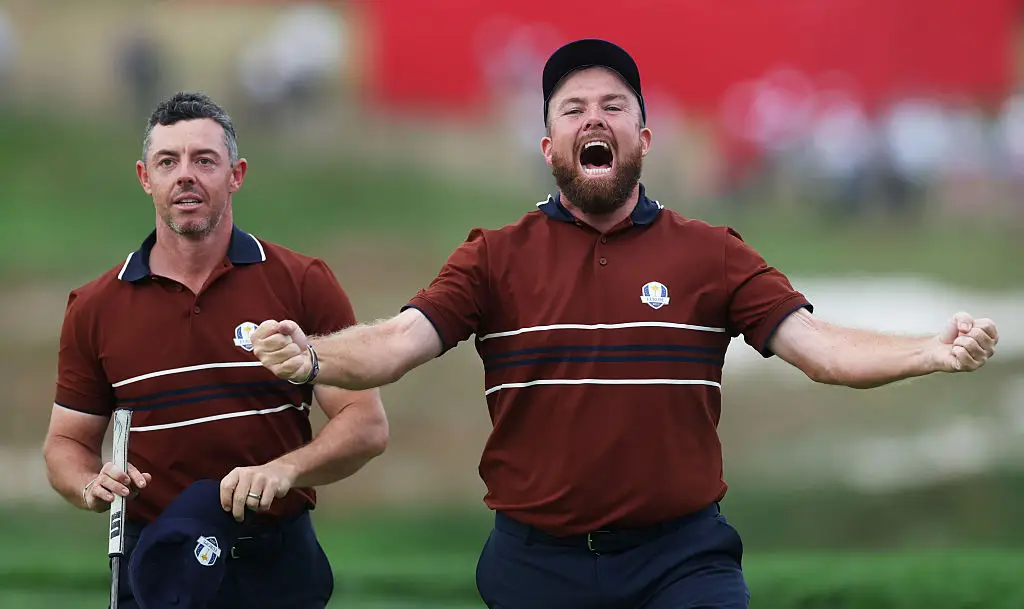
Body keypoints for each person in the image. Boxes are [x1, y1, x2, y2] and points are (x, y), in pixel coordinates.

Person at [249, 39, 1000, 609]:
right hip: (535, 562)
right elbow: (395, 343)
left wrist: (929, 350)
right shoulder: (493, 259)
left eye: (614, 106)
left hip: (682, 560)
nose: (594, 119)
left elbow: (820, 348)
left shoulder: (712, 254)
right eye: (573, 110)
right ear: (549, 148)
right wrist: (311, 357)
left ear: (645, 137)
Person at [42, 91, 388, 609]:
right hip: (158, 558)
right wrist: (90, 484)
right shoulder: (95, 307)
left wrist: (286, 470)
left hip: (275, 561)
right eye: (168, 161)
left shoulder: (301, 283)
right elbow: (65, 444)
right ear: (145, 178)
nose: (186, 175)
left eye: (204, 160)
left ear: (236, 174)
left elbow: (365, 423)